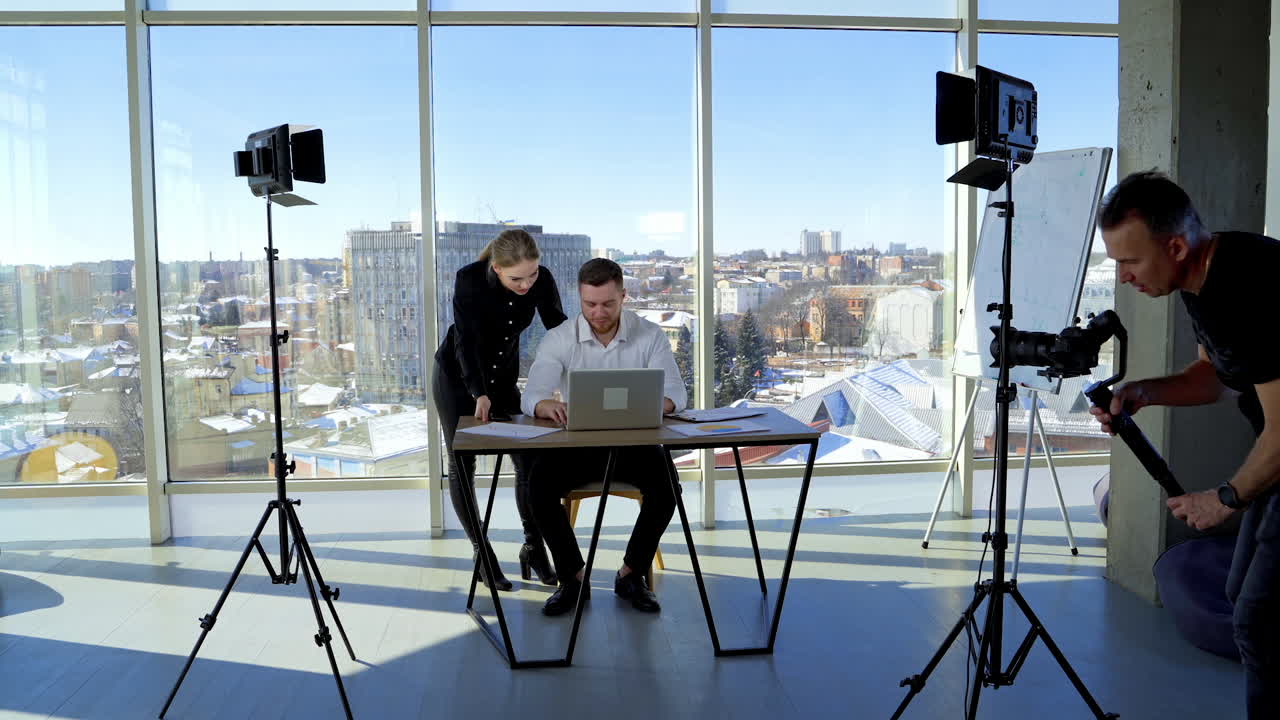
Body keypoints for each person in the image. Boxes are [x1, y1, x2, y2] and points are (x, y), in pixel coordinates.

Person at [1088, 171, 1280, 719]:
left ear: (1174, 246)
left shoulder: (1246, 290)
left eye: (1131, 262)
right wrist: (1145, 392)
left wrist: (1222, 497)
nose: (1123, 278)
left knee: (1260, 621)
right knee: (1244, 595)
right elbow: (1218, 375)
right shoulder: (1204, 279)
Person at [520, 258, 688, 616]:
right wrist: (544, 404)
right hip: (576, 446)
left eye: (608, 303)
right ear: (579, 298)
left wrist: (661, 402)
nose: (598, 312)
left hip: (635, 446)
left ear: (623, 296)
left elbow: (678, 393)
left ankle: (630, 574)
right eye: (590, 304)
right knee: (537, 489)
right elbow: (531, 393)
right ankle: (573, 578)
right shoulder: (560, 338)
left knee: (668, 490)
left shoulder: (649, 335)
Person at [433, 228, 566, 590]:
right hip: (459, 378)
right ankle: (482, 552)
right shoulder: (469, 281)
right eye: (516, 278)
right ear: (496, 268)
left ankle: (533, 547)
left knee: (527, 459)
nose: (526, 285)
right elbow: (465, 341)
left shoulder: (542, 280)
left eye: (532, 275)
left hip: (503, 379)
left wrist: (576, 375)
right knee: (462, 462)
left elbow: (559, 329)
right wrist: (479, 392)